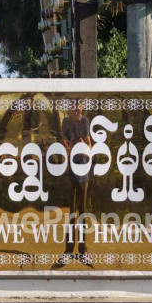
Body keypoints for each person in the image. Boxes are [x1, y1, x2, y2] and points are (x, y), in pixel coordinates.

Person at [61, 101, 91, 256]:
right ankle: (69, 248)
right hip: (72, 170)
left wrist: (84, 148)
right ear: (70, 109)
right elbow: (64, 143)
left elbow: (89, 143)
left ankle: (83, 248)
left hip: (83, 170)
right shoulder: (66, 122)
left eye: (80, 109)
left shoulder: (84, 121)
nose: (77, 112)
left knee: (83, 210)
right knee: (72, 211)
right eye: (74, 109)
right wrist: (70, 147)